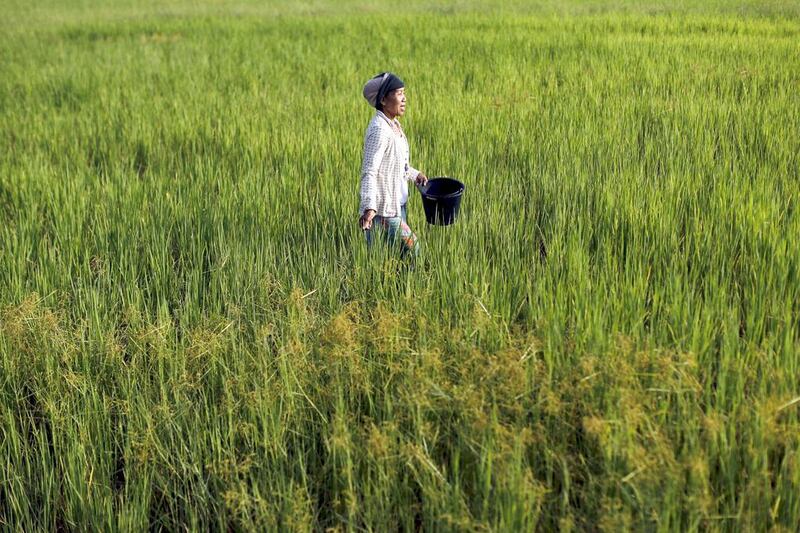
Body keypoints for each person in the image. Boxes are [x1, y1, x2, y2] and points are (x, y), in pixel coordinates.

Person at [358, 72, 428, 258]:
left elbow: (397, 164)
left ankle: (400, 285)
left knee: (393, 256)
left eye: (404, 92)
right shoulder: (379, 130)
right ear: (383, 99)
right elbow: (369, 171)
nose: (404, 98)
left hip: (398, 205)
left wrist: (415, 174)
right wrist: (369, 206)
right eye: (398, 93)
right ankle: (413, 282)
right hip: (385, 210)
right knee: (414, 249)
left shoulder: (393, 125)